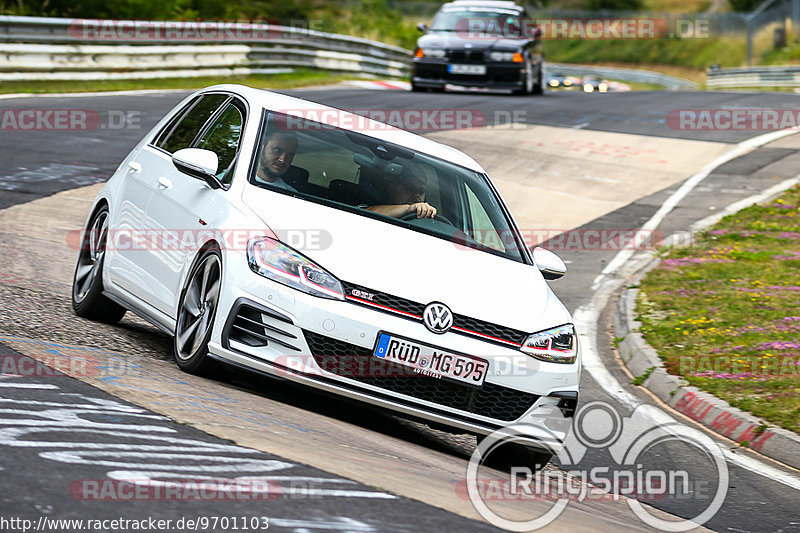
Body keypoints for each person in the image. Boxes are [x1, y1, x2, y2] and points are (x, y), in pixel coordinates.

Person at [367, 171, 437, 219]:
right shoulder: (376, 208)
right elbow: (367, 214)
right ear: (392, 188)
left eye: (421, 191)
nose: (415, 195)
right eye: (410, 188)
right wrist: (409, 208)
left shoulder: (427, 220)